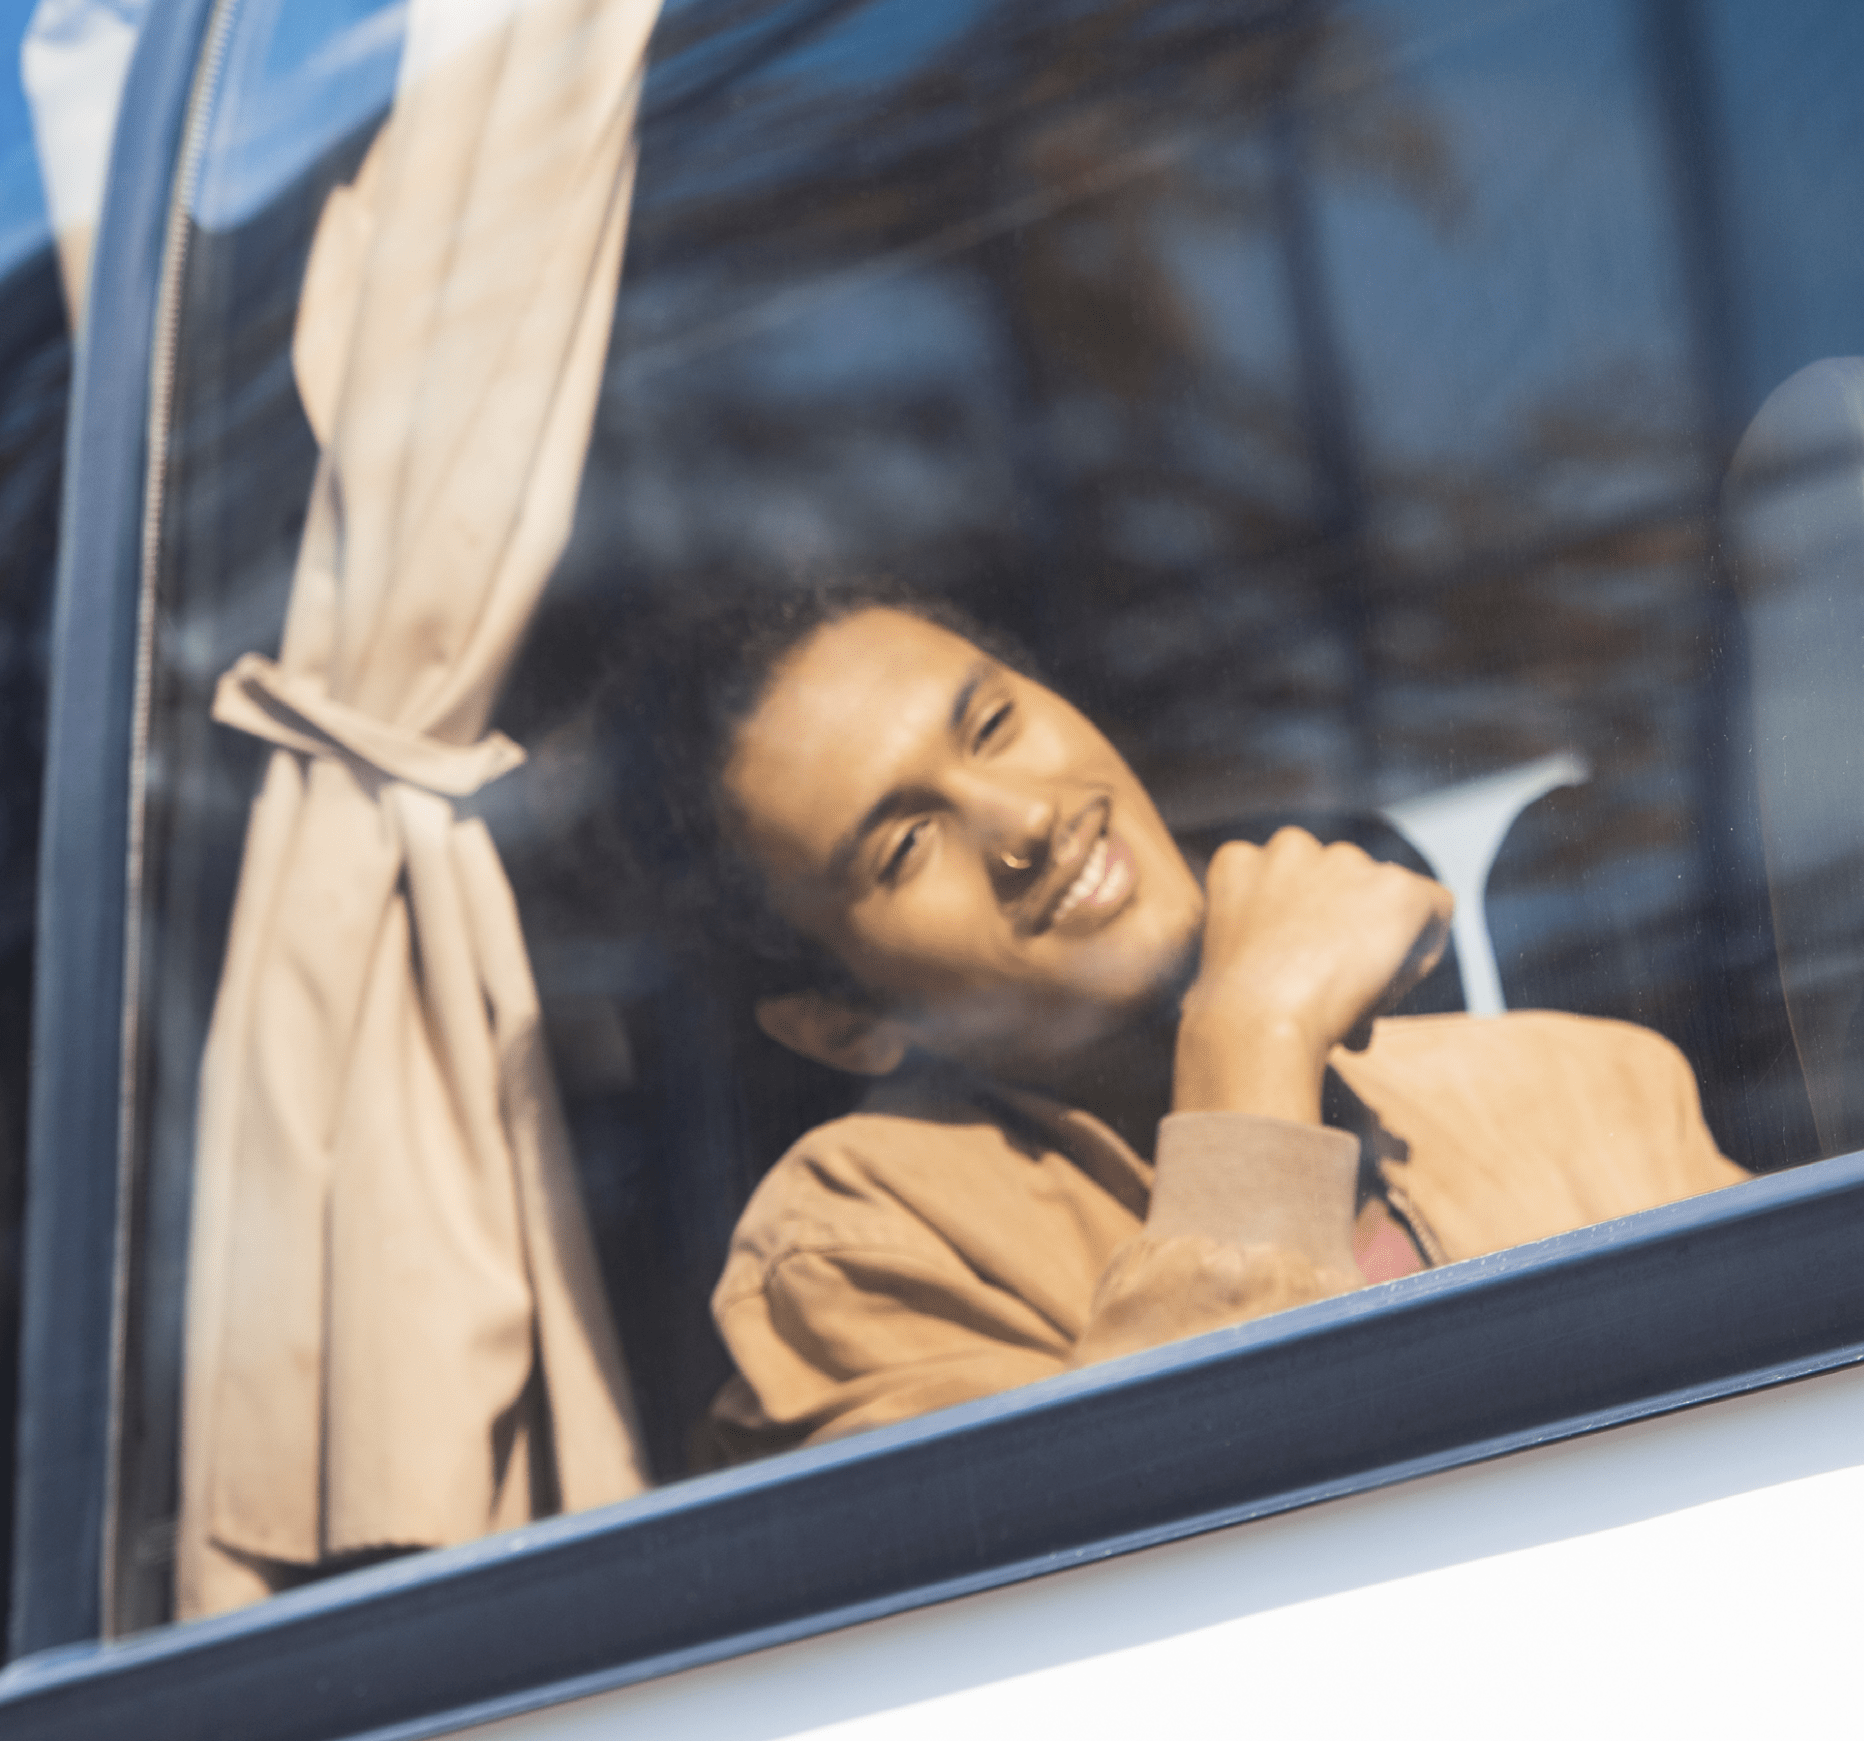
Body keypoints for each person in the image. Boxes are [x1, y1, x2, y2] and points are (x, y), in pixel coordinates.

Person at [600, 585, 1745, 1460]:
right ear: (841, 1024)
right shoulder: (859, 1252)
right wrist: (1251, 1031)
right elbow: (1169, 1591)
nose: (1026, 821)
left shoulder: (1582, 1083)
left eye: (993, 723)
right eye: (904, 845)